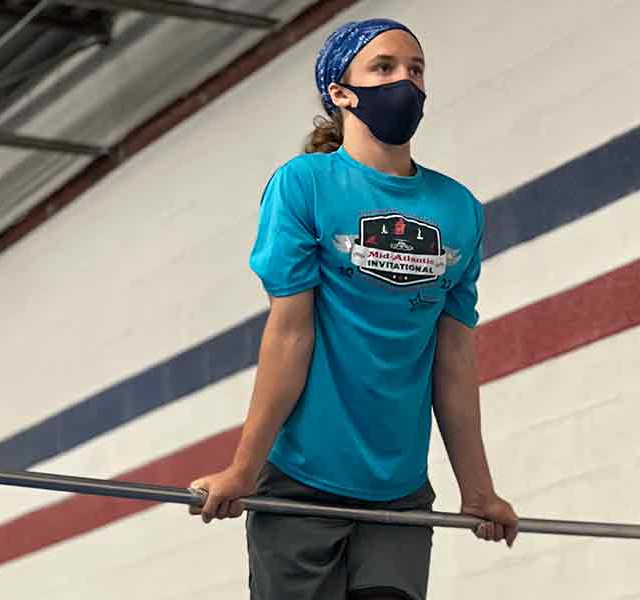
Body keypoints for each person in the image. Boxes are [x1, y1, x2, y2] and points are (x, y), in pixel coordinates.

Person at [188, 17, 519, 600]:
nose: (406, 82)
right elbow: (290, 335)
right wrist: (243, 469)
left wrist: (478, 489)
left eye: (415, 70)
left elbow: (455, 357)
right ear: (340, 93)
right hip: (304, 482)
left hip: (399, 492)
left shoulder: (459, 207)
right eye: (384, 68)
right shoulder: (305, 185)